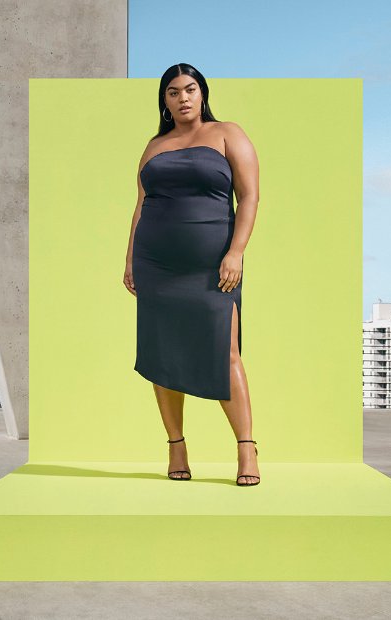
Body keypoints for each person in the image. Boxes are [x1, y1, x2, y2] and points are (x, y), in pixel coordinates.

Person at [123, 63, 260, 486]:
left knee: (225, 351)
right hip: (157, 265)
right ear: (164, 100)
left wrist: (236, 251)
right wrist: (129, 260)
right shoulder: (154, 145)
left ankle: (246, 448)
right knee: (162, 355)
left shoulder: (227, 133)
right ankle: (176, 446)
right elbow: (141, 205)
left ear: (202, 93)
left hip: (211, 264)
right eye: (173, 92)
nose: (183, 98)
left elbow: (250, 195)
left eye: (190, 89)